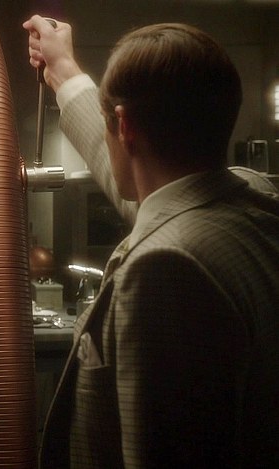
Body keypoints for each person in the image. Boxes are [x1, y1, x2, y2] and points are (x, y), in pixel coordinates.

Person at [23, 17, 279, 468]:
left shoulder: (164, 267)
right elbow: (142, 185)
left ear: (124, 126)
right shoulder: (251, 199)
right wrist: (63, 70)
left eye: (112, 122)